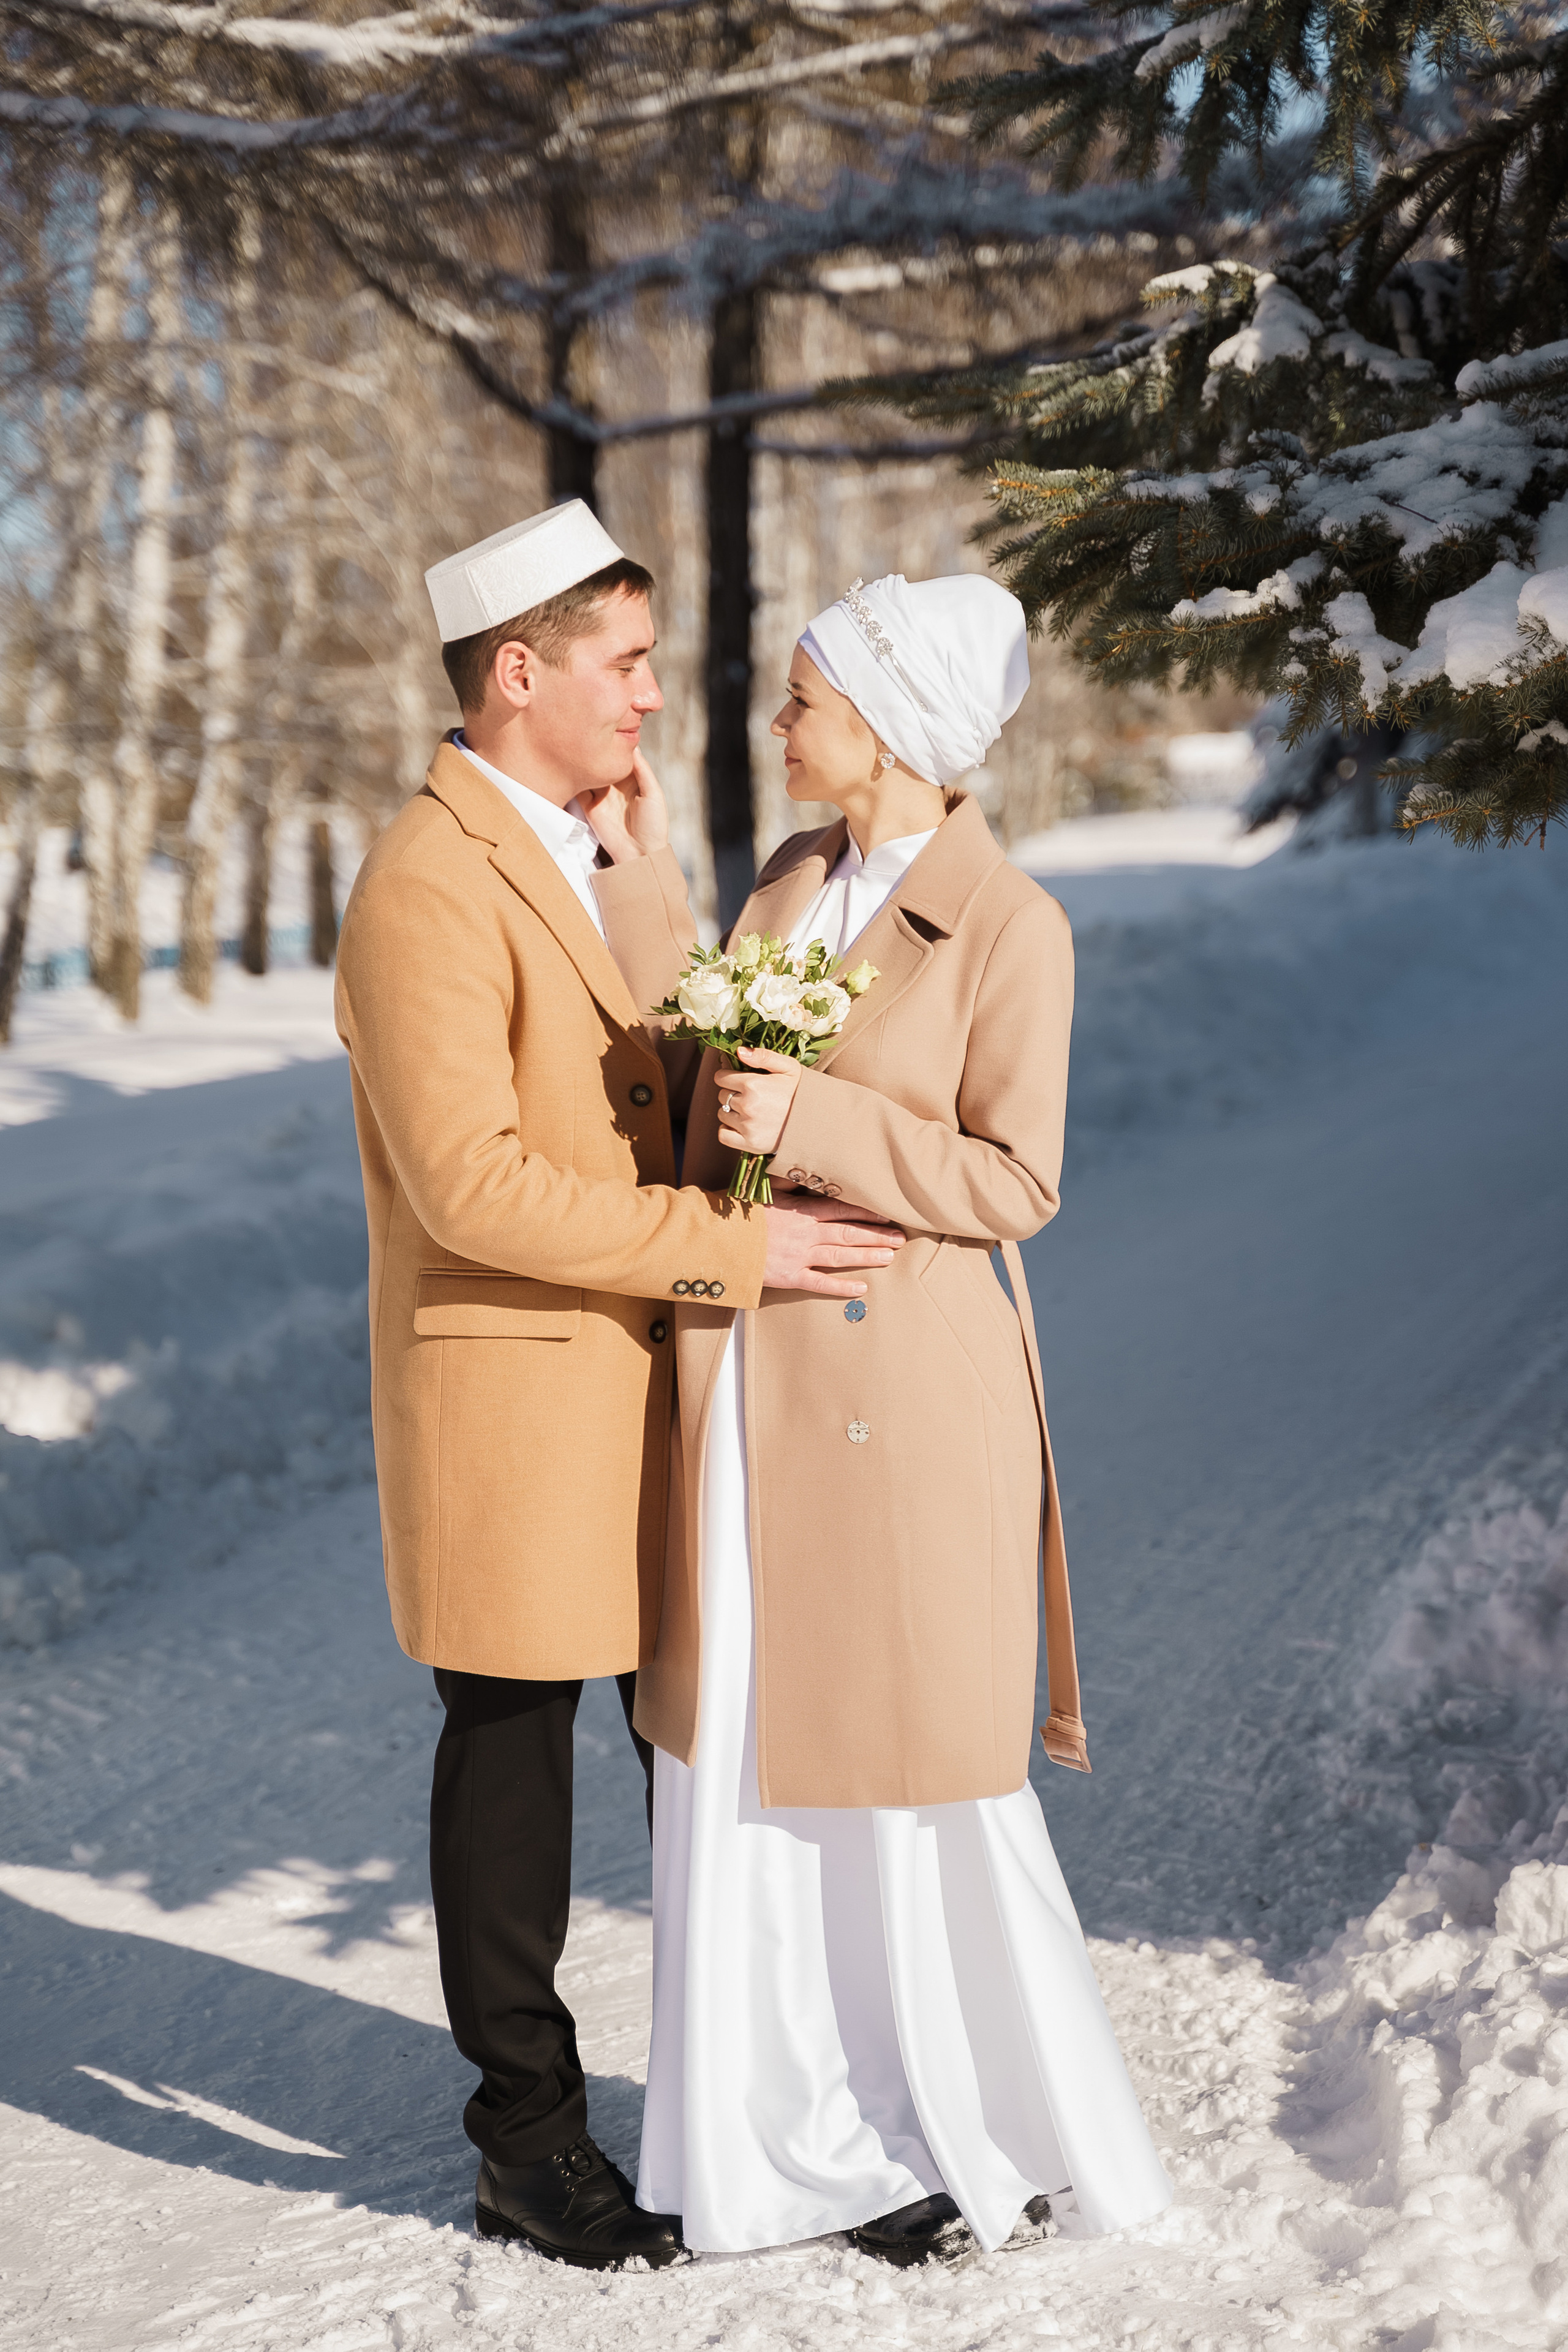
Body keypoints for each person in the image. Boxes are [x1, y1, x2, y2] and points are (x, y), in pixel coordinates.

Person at [333, 505, 904, 2273]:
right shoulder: (424, 884)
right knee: (512, 1763)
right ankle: (530, 2140)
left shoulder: (581, 851)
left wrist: (647, 881)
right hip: (514, 1402)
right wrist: (732, 1257)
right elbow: (474, 1187)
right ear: (520, 674)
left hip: (653, 1392)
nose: (657, 697)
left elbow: (668, 1071)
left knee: (706, 1760)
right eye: (625, 665)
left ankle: (756, 2112)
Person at [622, 571, 1174, 2262]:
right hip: (753, 1386)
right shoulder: (785, 885)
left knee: (916, 1763)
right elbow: (722, 1100)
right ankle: (782, 2133)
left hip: (900, 1398)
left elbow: (1021, 1179)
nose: (778, 723)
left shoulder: (1013, 926)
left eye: (803, 699)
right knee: (750, 1760)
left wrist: (821, 1122)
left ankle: (968, 2112)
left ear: (887, 728)